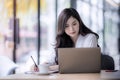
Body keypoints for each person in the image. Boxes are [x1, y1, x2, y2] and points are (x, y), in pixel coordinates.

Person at [33, 7, 99, 71]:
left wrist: (51, 68)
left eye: (74, 24)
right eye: (66, 26)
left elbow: (85, 64)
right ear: (62, 28)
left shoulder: (90, 38)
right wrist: (40, 67)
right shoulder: (62, 40)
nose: (71, 29)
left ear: (79, 22)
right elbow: (51, 60)